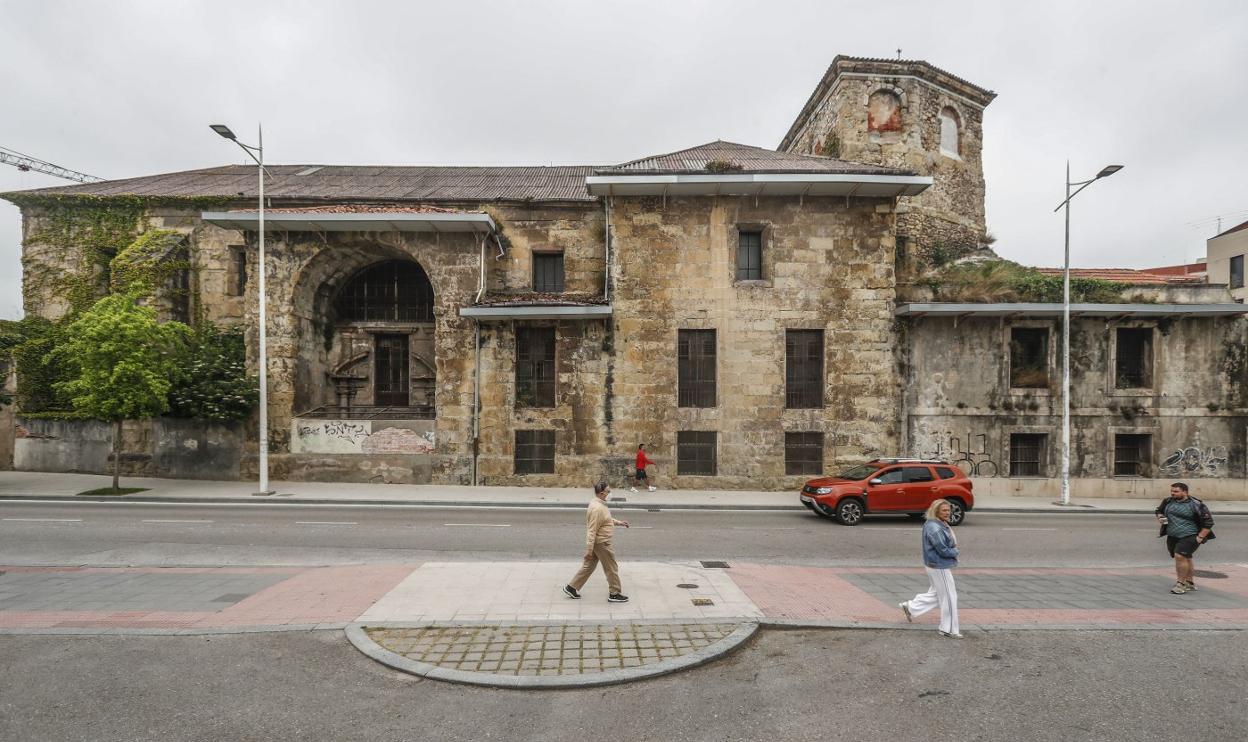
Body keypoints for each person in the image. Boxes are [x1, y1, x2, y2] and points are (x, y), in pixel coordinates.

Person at [899, 499, 962, 638]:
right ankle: (948, 629)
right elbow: (943, 550)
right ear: (936, 511)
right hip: (939, 566)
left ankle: (910, 607)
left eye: (948, 510)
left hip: (935, 565)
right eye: (944, 510)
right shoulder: (935, 527)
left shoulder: (937, 523)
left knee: (937, 594)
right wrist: (955, 551)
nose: (947, 512)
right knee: (950, 597)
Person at [563, 481, 630, 603]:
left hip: (598, 543)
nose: (610, 493)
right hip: (602, 543)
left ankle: (571, 587)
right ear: (601, 493)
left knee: (589, 566)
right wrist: (589, 550)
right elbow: (591, 530)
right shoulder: (597, 508)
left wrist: (618, 522)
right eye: (608, 491)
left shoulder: (598, 503)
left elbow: (606, 519)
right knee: (611, 567)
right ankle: (614, 593)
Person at [1155, 482, 1215, 594]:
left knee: (1180, 556)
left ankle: (1180, 585)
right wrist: (1160, 517)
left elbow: (1209, 523)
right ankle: (1190, 583)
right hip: (1173, 535)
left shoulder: (1196, 504)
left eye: (1176, 491)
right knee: (1186, 557)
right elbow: (1159, 510)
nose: (1173, 493)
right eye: (1172, 491)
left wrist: (1200, 537)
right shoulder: (1168, 501)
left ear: (1185, 492)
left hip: (1190, 535)